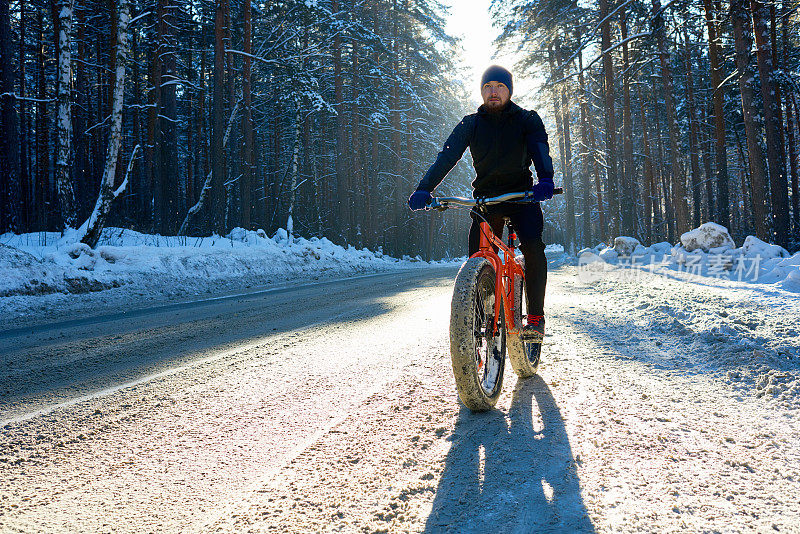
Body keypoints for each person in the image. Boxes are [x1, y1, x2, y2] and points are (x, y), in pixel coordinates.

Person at [407, 65, 555, 342]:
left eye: (499, 86)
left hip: (522, 197)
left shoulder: (527, 120)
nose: (493, 92)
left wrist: (545, 179)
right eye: (488, 87)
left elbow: (540, 149)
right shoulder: (471, 124)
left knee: (533, 248)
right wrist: (424, 188)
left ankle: (535, 317)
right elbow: (446, 157)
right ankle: (482, 314)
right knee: (478, 256)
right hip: (487, 200)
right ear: (481, 91)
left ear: (509, 90)